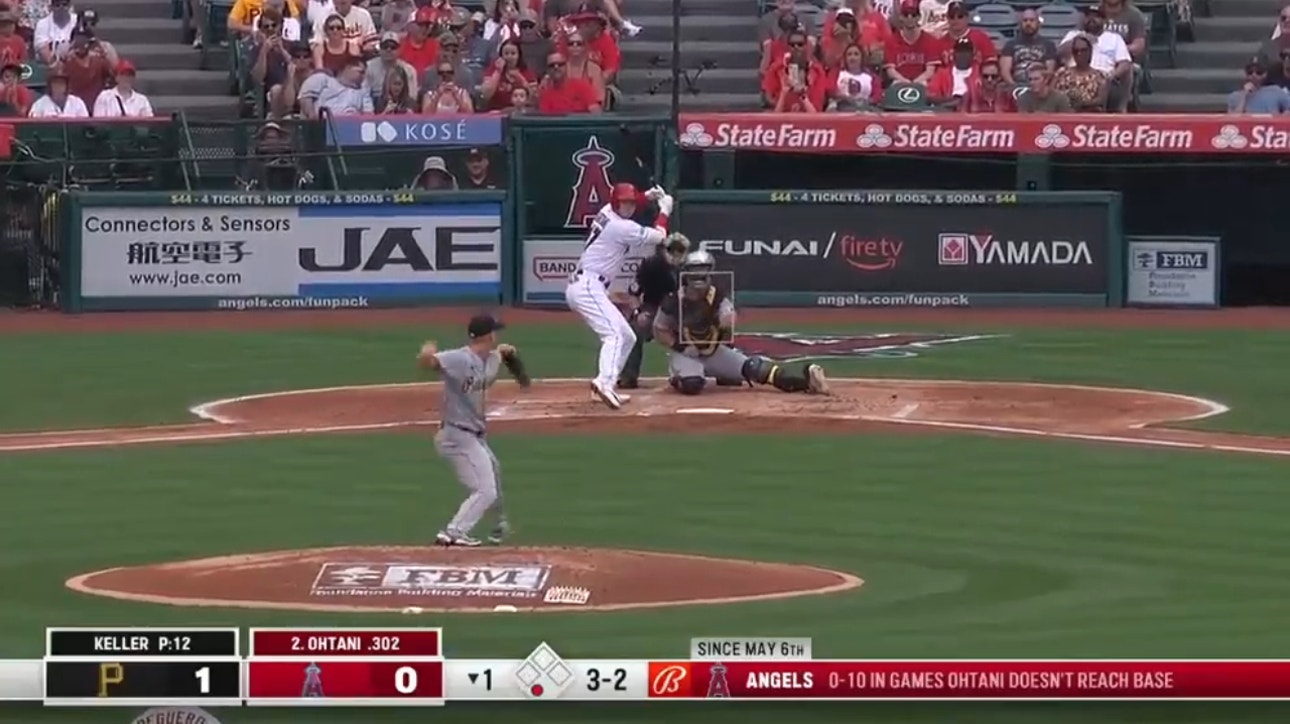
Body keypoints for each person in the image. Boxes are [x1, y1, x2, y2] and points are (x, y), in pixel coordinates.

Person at [416, 314, 530, 547]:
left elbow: (502, 355)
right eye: (495, 332)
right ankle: (453, 532)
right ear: (488, 335)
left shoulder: (488, 359)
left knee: (493, 474)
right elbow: (430, 362)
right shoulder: (460, 358)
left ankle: (498, 524)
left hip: (472, 436)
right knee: (486, 491)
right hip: (457, 436)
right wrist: (428, 351)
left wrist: (509, 356)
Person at [652, 250, 831, 398]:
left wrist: (727, 320)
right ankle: (678, 377)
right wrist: (680, 346)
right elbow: (659, 329)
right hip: (687, 354)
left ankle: (806, 380)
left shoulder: (718, 297)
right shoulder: (674, 300)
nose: (699, 276)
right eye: (695, 271)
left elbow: (729, 315)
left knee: (754, 368)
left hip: (713, 351)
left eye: (703, 271)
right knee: (692, 385)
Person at [564, 182, 674, 410]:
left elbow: (629, 204)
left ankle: (608, 385)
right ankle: (603, 383)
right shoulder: (621, 227)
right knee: (613, 335)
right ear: (616, 202)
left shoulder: (605, 211)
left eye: (632, 202)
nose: (629, 206)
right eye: (625, 202)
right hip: (588, 285)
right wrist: (665, 210)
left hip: (590, 285)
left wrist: (646, 196)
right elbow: (660, 236)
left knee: (628, 337)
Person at [616, 232, 688, 390]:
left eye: (680, 251)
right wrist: (638, 313)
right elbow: (634, 293)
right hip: (654, 307)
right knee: (633, 331)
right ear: (664, 250)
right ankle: (628, 376)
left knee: (706, 325)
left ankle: (718, 373)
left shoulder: (689, 267)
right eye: (672, 250)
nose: (676, 255)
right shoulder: (651, 265)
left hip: (682, 310)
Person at [885, 0, 941, 87]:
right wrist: (905, 82)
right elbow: (891, 71)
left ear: (919, 17)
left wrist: (915, 82)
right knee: (895, 86)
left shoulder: (930, 40)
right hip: (900, 81)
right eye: (906, 15)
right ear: (901, 17)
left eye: (913, 15)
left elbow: (930, 71)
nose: (910, 18)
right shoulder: (891, 40)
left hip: (923, 81)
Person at [297, 56, 371, 116]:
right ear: (348, 68)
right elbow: (305, 98)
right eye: (361, 72)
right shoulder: (322, 79)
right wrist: (313, 119)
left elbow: (369, 114)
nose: (363, 76)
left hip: (351, 128)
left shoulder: (363, 90)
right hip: (322, 126)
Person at [1000, 8, 1057, 86]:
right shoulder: (1010, 44)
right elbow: (1005, 72)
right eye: (1025, 20)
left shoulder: (1048, 45)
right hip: (1016, 86)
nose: (1028, 23)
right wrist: (1014, 87)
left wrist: (1040, 88)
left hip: (1040, 87)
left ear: (1038, 23)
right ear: (1020, 23)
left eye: (1032, 20)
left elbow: (1049, 72)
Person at [1054, 33, 1107, 111]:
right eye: (1076, 51)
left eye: (1083, 50)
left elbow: (1101, 100)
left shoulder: (1100, 76)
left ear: (1090, 52)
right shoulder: (1062, 73)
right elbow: (1052, 94)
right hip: (1063, 114)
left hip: (1089, 115)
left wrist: (1081, 104)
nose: (1079, 54)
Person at [481, 37, 535, 111]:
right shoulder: (493, 70)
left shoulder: (526, 72)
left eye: (513, 53)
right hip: (497, 112)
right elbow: (486, 95)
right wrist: (498, 72)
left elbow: (534, 99)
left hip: (520, 113)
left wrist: (520, 78)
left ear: (519, 56)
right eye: (506, 53)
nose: (509, 57)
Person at [537, 51, 601, 112]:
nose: (556, 67)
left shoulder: (582, 86)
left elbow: (595, 111)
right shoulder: (545, 94)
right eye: (552, 65)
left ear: (566, 66)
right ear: (547, 70)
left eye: (560, 64)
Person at [365, 32, 418, 106]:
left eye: (393, 47)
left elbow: (412, 98)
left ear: (399, 50)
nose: (388, 50)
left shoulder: (409, 70)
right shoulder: (368, 67)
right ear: (380, 48)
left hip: (402, 107)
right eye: (385, 46)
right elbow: (364, 96)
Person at [831, 43, 882, 110]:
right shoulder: (837, 74)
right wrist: (844, 98)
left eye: (856, 54)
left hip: (865, 109)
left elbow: (877, 97)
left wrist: (863, 102)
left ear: (862, 57)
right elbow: (831, 91)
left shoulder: (871, 77)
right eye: (849, 54)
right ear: (845, 58)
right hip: (841, 108)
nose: (852, 58)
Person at [34, 0, 77, 65]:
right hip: (49, 69)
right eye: (57, 5)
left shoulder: (78, 21)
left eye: (64, 5)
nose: (61, 8)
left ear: (69, 6)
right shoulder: (42, 24)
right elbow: (45, 55)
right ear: (51, 7)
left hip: (75, 65)